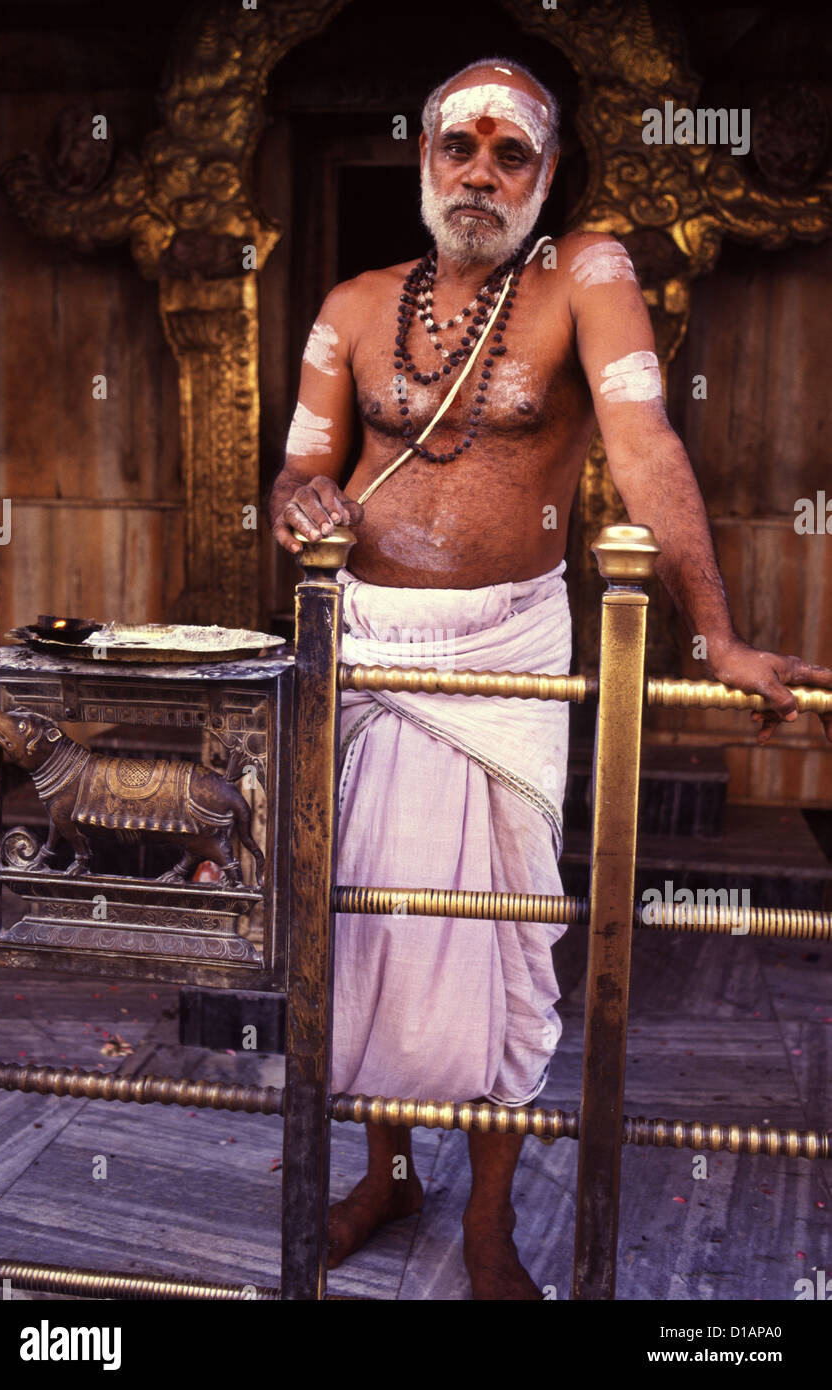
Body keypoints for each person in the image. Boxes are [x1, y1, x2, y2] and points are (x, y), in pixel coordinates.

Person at [267, 57, 832, 1299]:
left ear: (547, 170)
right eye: (457, 145)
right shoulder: (352, 305)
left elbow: (643, 444)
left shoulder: (588, 274)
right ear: (422, 155)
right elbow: (295, 473)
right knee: (365, 929)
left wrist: (716, 637)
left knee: (504, 942)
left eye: (509, 152)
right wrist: (299, 505)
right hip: (367, 651)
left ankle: (486, 1224)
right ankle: (382, 1174)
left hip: (507, 661)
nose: (480, 170)